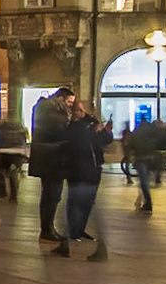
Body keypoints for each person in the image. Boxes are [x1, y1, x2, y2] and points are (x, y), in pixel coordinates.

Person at [54, 100, 113, 260]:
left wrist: (104, 131)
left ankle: (83, 238)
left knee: (86, 204)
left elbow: (104, 140)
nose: (78, 113)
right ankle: (70, 237)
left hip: (89, 170)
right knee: (73, 205)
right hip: (78, 170)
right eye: (76, 110)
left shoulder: (89, 124)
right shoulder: (77, 126)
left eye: (80, 110)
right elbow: (73, 141)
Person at [29, 88, 73, 243]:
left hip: (52, 155)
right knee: (50, 195)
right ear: (60, 98)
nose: (70, 105)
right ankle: (46, 229)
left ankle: (49, 228)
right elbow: (57, 129)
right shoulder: (48, 109)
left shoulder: (52, 109)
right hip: (49, 157)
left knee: (54, 195)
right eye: (69, 102)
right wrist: (71, 123)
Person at [130, 115, 166, 213]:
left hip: (141, 158)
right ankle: (144, 199)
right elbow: (164, 141)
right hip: (151, 158)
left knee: (144, 181)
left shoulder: (137, 132)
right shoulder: (153, 133)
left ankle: (147, 202)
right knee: (145, 180)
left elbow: (132, 145)